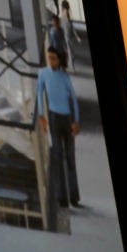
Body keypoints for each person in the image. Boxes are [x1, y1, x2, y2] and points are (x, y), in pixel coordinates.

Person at [37, 47, 81, 209]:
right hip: (54, 117)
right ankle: (61, 196)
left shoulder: (65, 77)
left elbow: (74, 98)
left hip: (67, 118)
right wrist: (41, 115)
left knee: (70, 156)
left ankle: (73, 195)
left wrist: (76, 120)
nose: (51, 61)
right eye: (49, 58)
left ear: (59, 60)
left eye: (54, 58)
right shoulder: (43, 73)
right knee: (57, 155)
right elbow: (39, 93)